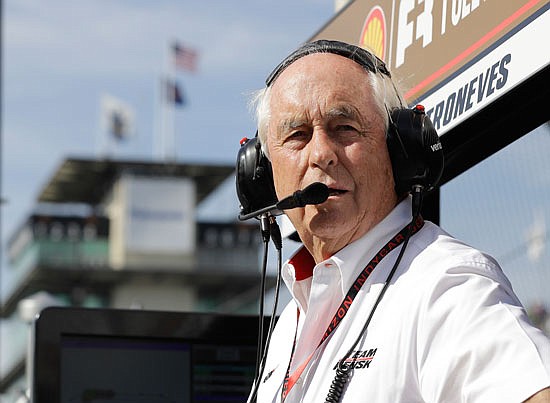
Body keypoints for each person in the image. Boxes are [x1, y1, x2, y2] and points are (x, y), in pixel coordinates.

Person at [249, 39, 550, 402]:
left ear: (397, 150)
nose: (321, 154)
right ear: (267, 177)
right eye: (297, 135)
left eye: (345, 127)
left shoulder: (445, 283)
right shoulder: (288, 325)